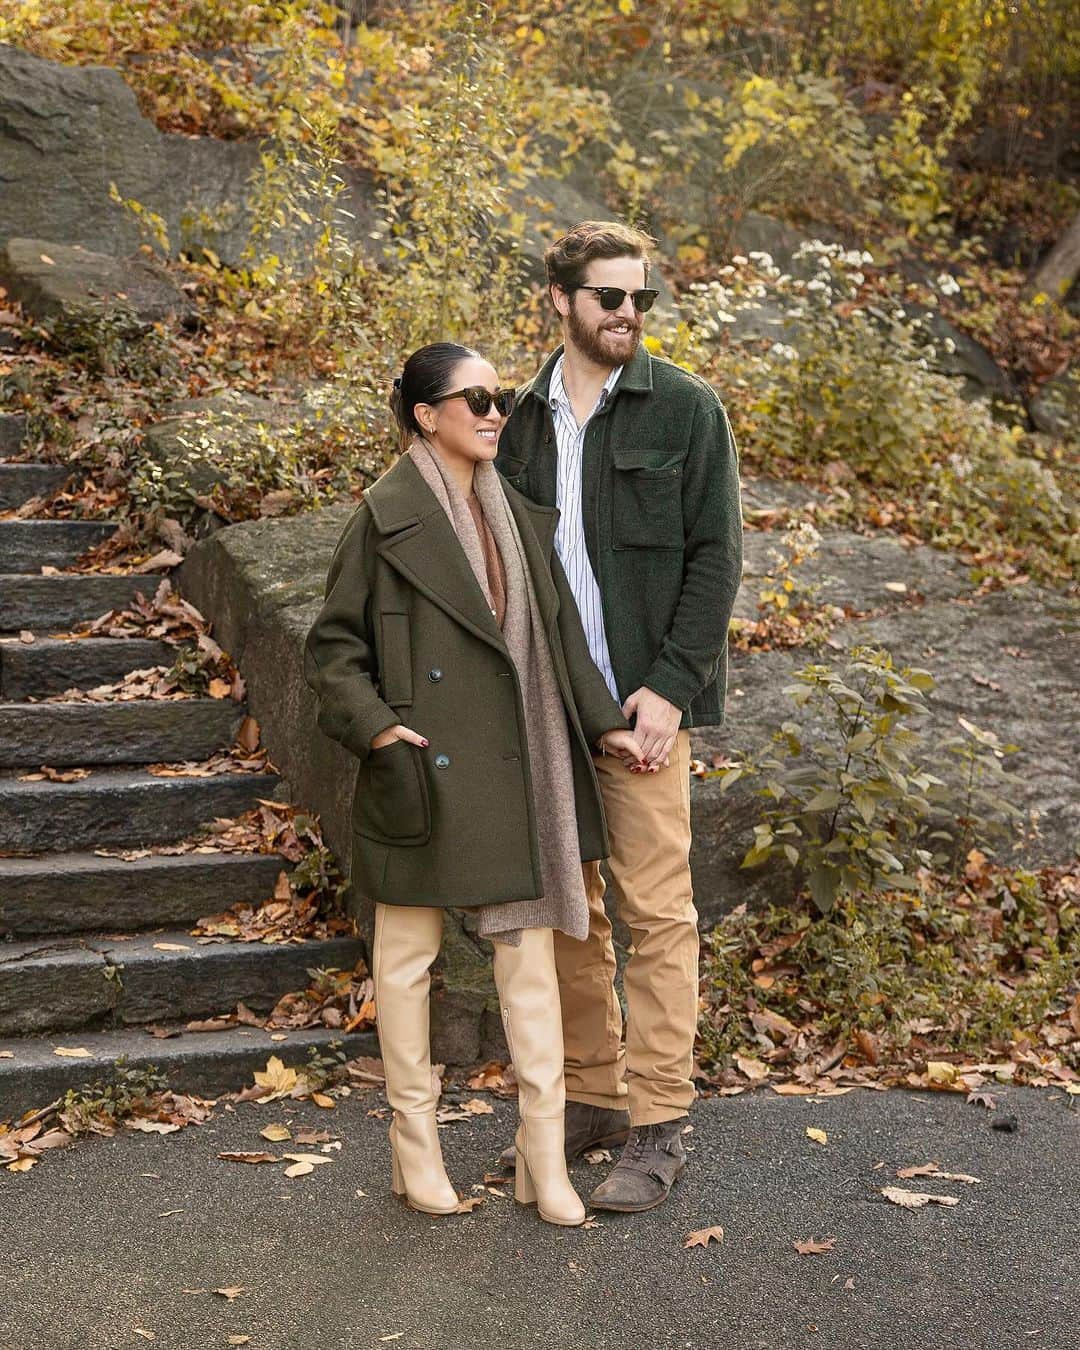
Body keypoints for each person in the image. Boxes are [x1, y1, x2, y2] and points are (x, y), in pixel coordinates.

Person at [304, 342, 645, 1226]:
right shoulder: (382, 519)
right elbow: (333, 650)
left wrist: (605, 721)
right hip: (420, 767)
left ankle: (543, 1159)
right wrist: (380, 730)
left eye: (499, 399)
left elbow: (562, 633)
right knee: (408, 963)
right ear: (426, 415)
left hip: (518, 763)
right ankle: (414, 1152)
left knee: (528, 963)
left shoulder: (518, 517)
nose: (497, 413)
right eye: (477, 399)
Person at [495, 221, 744, 1212]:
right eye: (609, 298)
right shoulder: (516, 421)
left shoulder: (685, 410)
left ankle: (660, 1122)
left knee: (656, 912)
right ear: (560, 300)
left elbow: (715, 559)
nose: (629, 314)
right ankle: (593, 1098)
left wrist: (671, 689)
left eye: (640, 297)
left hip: (645, 712)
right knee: (570, 913)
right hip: (552, 711)